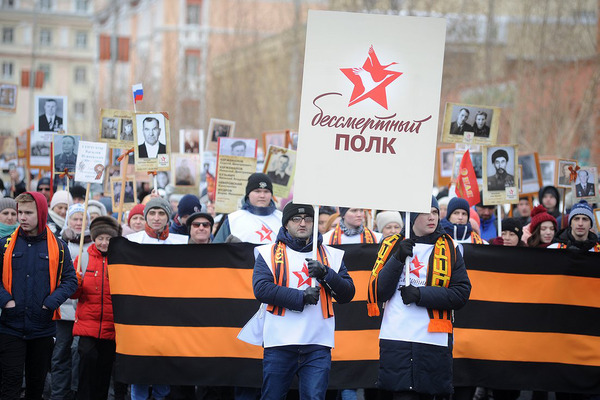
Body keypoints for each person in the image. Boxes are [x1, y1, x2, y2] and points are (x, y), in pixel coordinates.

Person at [367, 196, 471, 398]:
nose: (432, 217)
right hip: (397, 339)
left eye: (435, 212)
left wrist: (420, 294)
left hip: (432, 341)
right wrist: (397, 258)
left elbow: (461, 294)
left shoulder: (451, 247)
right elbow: (378, 292)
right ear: (412, 216)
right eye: (425, 212)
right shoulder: (391, 245)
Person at [252, 202, 355, 399]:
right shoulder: (268, 253)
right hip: (279, 343)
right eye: (296, 219)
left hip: (317, 343)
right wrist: (300, 297)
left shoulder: (331, 255)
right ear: (285, 224)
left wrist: (326, 274)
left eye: (308, 219)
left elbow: (347, 294)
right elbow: (261, 289)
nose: (302, 223)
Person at [0, 191, 78, 399]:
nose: (22, 217)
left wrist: (50, 303)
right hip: (10, 327)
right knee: (10, 384)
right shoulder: (5, 245)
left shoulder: (59, 247)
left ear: (41, 213)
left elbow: (70, 280)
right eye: (20, 212)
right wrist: (6, 301)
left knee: (37, 386)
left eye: (28, 213)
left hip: (42, 328)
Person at [126, 197, 186, 399]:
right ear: (145, 216)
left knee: (164, 368)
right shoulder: (131, 242)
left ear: (168, 216)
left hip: (169, 316)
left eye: (161, 213)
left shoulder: (180, 242)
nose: (156, 218)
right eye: (152, 213)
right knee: (140, 369)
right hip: (140, 316)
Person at [72, 216, 122, 400]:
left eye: (109, 238)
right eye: (100, 238)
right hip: (88, 325)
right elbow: (73, 294)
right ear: (94, 238)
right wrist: (75, 283)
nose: (104, 242)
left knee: (104, 370)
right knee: (86, 362)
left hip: (110, 326)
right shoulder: (83, 259)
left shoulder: (120, 260)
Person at [52, 203, 93, 400]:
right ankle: (59, 393)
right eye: (75, 218)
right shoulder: (59, 243)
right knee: (61, 352)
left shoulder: (93, 245)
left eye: (82, 219)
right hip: (64, 308)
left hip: (83, 308)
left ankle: (76, 391)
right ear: (68, 220)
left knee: (79, 352)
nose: (78, 222)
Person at [213, 173, 282, 244]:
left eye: (266, 191)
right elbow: (216, 248)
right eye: (257, 191)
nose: (262, 195)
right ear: (248, 194)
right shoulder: (232, 220)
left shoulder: (282, 219)